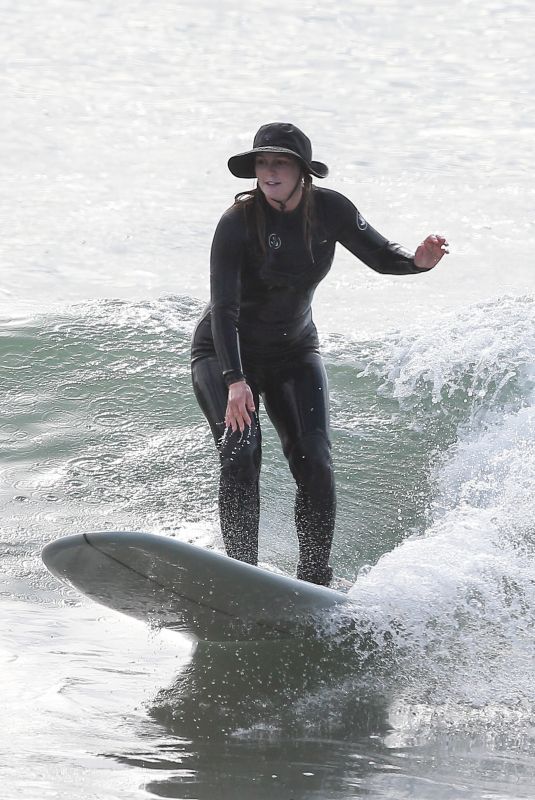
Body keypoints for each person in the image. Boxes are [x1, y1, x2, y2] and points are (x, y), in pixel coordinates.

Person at [191, 122, 448, 586]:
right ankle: (240, 574)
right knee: (241, 453)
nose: (269, 172)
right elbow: (224, 306)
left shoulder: (330, 210)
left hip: (293, 351)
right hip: (225, 352)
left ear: (302, 172)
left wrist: (416, 263)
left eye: (280, 163)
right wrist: (234, 380)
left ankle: (313, 579)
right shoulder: (237, 222)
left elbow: (380, 253)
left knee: (315, 461)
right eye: (262, 163)